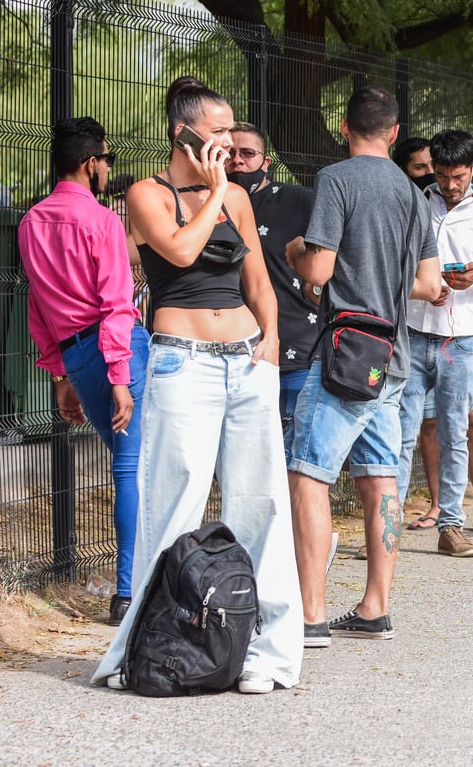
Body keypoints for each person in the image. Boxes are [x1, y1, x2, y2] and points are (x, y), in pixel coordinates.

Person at [91, 76, 301, 694]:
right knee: (174, 503)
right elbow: (180, 253)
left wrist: (268, 339)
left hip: (246, 362)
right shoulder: (145, 194)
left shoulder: (236, 196)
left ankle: (269, 654)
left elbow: (257, 278)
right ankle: (144, 648)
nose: (231, 144)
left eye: (234, 132)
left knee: (260, 504)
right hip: (183, 362)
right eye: (217, 132)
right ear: (182, 131)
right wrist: (214, 193)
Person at [286, 88, 441, 644]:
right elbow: (428, 283)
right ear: (395, 134)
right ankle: (375, 606)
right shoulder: (413, 192)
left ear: (345, 126)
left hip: (346, 355)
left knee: (307, 475)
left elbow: (320, 270)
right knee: (380, 480)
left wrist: (297, 251)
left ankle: (309, 615)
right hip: (393, 357)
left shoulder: (337, 179)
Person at [18, 117, 148, 626]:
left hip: (74, 354)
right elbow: (116, 303)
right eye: (107, 160)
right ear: (91, 163)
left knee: (125, 464)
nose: (107, 170)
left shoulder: (31, 222)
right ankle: (128, 592)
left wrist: (59, 375)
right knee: (133, 467)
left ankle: (131, 586)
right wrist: (120, 375)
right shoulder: (102, 221)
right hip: (116, 349)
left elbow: (38, 307)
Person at [396, 129, 473, 556]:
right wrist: (422, 285)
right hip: (411, 331)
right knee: (400, 433)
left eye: (459, 176)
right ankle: (386, 530)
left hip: (461, 339)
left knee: (455, 432)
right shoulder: (413, 202)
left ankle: (451, 525)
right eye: (443, 175)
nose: (450, 185)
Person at [225, 122, 318, 457]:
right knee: (250, 454)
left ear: (266, 162)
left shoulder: (299, 201)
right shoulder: (207, 204)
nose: (237, 161)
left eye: (247, 154)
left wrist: (318, 289)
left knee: (298, 454)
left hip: (297, 348)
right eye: (229, 153)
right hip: (234, 352)